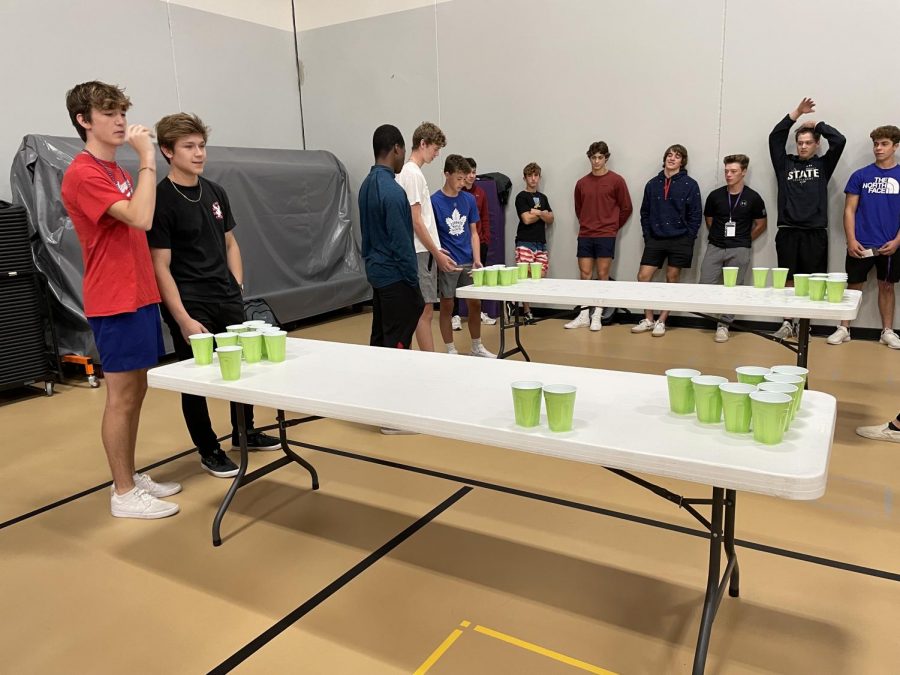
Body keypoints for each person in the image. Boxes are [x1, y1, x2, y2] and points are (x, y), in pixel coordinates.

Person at [61, 81, 180, 519]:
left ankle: (131, 473)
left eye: (121, 112)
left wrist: (140, 168)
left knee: (138, 389)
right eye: (108, 113)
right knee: (121, 396)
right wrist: (149, 158)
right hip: (113, 300)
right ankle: (123, 492)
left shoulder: (119, 174)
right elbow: (141, 217)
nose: (120, 121)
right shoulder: (83, 173)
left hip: (139, 294)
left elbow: (139, 227)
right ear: (83, 120)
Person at [148, 113, 280, 479]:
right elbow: (160, 265)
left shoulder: (215, 192)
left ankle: (245, 430)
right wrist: (182, 318)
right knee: (197, 379)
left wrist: (236, 284)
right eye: (189, 147)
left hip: (226, 295)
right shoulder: (160, 199)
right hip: (191, 302)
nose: (198, 153)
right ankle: (208, 448)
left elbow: (231, 242)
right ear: (167, 151)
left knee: (245, 367)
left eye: (201, 145)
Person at [769, 97, 846, 340]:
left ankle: (805, 325)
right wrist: (796, 114)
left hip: (815, 231)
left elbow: (840, 141)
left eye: (808, 143)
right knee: (789, 279)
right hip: (788, 230)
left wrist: (819, 125)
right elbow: (775, 138)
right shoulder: (785, 164)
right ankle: (787, 322)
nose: (803, 146)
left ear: (815, 145)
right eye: (800, 143)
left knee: (813, 281)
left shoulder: (823, 165)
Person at [827, 125, 900, 348]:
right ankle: (844, 328)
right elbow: (849, 210)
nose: (878, 148)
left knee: (886, 286)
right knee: (854, 285)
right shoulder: (861, 175)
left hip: (890, 244)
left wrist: (898, 241)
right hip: (861, 243)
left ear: (895, 146)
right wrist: (851, 240)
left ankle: (887, 331)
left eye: (884, 143)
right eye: (876, 144)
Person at [358, 124, 424, 349]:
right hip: (396, 279)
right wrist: (413, 284)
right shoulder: (393, 192)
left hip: (377, 275)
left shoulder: (365, 186)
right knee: (397, 345)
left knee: (380, 340)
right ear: (397, 148)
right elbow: (401, 244)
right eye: (404, 151)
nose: (403, 157)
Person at [396, 122, 458, 351]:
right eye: (434, 148)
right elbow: (416, 220)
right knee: (425, 311)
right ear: (422, 144)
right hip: (421, 252)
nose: (437, 153)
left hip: (424, 250)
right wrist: (436, 252)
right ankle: (430, 361)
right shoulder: (412, 174)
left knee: (422, 310)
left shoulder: (412, 174)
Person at [632, 144, 702, 337]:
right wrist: (648, 235)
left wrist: (689, 238)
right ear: (664, 159)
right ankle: (648, 318)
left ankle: (662, 321)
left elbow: (696, 215)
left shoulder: (690, 184)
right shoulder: (652, 184)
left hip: (680, 239)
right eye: (669, 155)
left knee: (671, 279)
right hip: (655, 238)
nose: (672, 158)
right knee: (643, 276)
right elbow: (644, 212)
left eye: (677, 156)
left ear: (682, 161)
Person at [698, 154, 767, 342]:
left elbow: (761, 224)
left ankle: (724, 325)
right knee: (705, 283)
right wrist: (719, 235)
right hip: (716, 246)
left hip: (740, 248)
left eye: (733, 171)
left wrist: (744, 240)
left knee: (734, 288)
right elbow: (709, 220)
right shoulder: (715, 195)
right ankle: (712, 318)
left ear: (743, 172)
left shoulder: (753, 197)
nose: (729, 175)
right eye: (726, 171)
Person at [432, 155, 495, 357]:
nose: (462, 183)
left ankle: (477, 346)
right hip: (449, 263)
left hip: (468, 259)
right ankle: (450, 348)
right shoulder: (434, 201)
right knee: (447, 306)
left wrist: (477, 258)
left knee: (475, 304)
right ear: (446, 174)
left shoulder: (468, 199)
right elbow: (431, 234)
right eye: (458, 178)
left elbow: (474, 232)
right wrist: (439, 256)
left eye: (465, 178)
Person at [566, 141, 632, 331]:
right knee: (585, 275)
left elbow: (626, 207)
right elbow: (579, 208)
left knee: (603, 275)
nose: (596, 161)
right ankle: (584, 314)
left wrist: (612, 227)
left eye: (600, 157)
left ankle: (598, 315)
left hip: (606, 235)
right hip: (586, 234)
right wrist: (587, 223)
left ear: (606, 158)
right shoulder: (581, 183)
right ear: (589, 158)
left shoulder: (617, 181)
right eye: (593, 157)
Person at [514, 162, 555, 322]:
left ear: (539, 177)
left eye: (536, 175)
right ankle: (526, 310)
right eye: (530, 175)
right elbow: (526, 219)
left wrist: (536, 212)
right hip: (525, 241)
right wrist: (543, 214)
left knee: (541, 274)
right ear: (525, 178)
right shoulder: (521, 197)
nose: (533, 179)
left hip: (540, 242)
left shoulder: (543, 198)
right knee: (525, 276)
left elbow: (551, 218)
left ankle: (525, 306)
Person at [457, 156, 496, 326]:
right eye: (468, 172)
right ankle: (455, 315)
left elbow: (485, 217)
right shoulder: (458, 193)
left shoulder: (481, 193)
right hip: (460, 244)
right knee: (457, 280)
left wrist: (485, 238)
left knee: (477, 280)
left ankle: (479, 312)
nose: (472, 175)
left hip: (479, 241)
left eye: (474, 172)